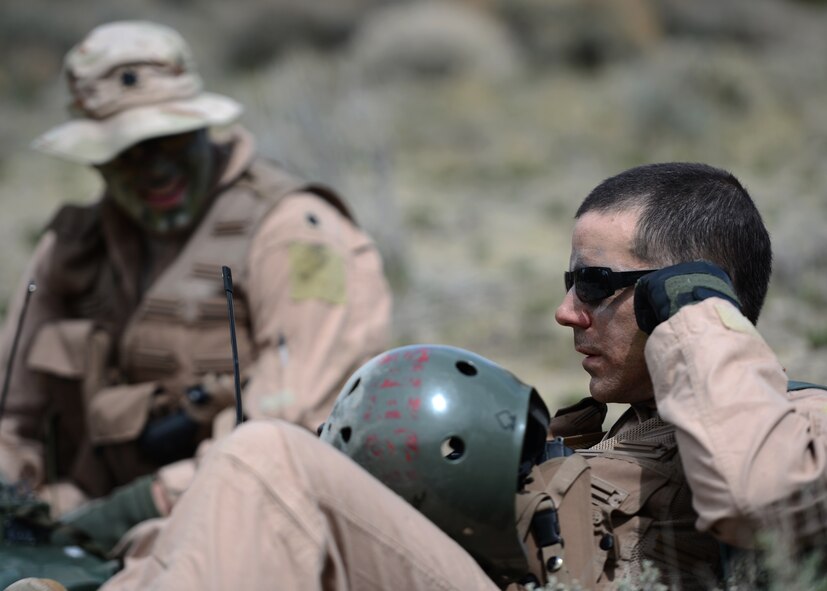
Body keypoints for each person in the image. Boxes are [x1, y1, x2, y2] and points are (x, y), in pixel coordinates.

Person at [55, 162, 827, 590]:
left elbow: (758, 502)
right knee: (268, 472)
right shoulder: (602, 432)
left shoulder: (794, 425)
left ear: (685, 292)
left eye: (594, 283)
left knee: (270, 458)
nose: (565, 312)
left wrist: (695, 316)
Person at [0, 19, 392, 535]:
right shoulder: (69, 249)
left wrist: (148, 502)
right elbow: (12, 414)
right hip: (74, 526)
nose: (155, 170)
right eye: (127, 154)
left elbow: (294, 423)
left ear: (204, 128)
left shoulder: (296, 232)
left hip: (241, 519)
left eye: (170, 143)